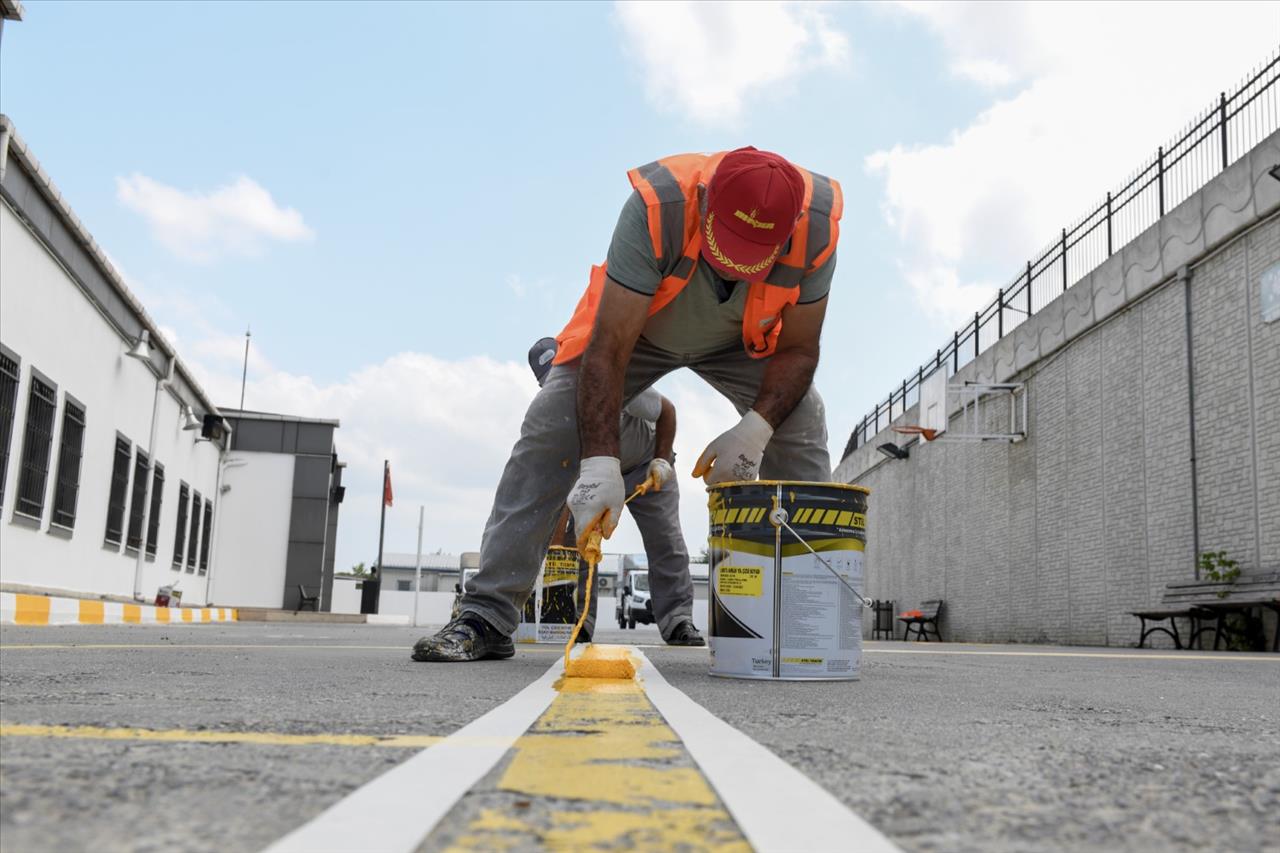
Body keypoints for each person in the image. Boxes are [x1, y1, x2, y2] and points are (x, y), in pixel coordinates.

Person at [413, 147, 841, 662]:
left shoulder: (817, 226)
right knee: (551, 422)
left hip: (739, 340)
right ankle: (487, 612)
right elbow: (609, 348)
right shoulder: (657, 207)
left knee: (801, 418)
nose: (738, 263)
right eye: (728, 242)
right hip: (637, 332)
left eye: (757, 251)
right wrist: (596, 464)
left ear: (791, 224)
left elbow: (799, 349)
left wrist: (755, 431)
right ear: (704, 202)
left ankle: (808, 619)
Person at [528, 337, 702, 646]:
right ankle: (579, 621)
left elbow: (667, 412)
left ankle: (678, 619)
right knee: (579, 539)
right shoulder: (554, 417)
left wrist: (662, 459)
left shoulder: (617, 386)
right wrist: (560, 552)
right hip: (595, 473)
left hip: (646, 465)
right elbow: (563, 494)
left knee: (666, 541)